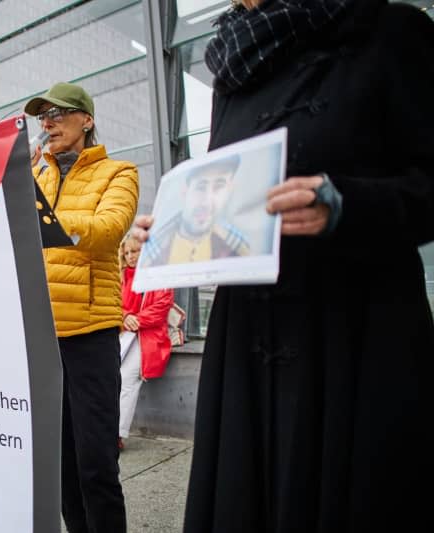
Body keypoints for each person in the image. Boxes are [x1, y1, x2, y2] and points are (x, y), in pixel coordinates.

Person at [131, 1, 434, 531]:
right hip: (248, 344)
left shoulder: (392, 31)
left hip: (356, 337)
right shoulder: (232, 66)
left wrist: (347, 204)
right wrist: (173, 233)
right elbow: (227, 190)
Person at [25, 82, 138, 533]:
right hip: (41, 335)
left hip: (90, 333)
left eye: (57, 113)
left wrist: (43, 219)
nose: (47, 123)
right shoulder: (36, 175)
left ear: (86, 119)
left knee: (95, 465)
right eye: (42, 117)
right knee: (61, 467)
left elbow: (109, 229)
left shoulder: (119, 172)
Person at [117, 234, 174, 450]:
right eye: (127, 253)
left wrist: (136, 319)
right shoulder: (121, 276)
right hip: (122, 335)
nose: (131, 257)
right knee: (112, 381)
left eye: (135, 251)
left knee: (127, 379)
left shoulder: (159, 276)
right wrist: (124, 316)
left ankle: (117, 434)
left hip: (147, 337)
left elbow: (162, 306)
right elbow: (112, 303)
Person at [140, 154, 248, 267]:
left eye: (219, 186)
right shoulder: (151, 248)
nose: (207, 202)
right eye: (201, 187)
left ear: (228, 191)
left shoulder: (239, 248)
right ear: (185, 191)